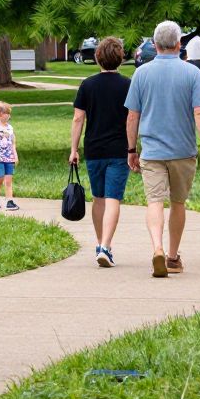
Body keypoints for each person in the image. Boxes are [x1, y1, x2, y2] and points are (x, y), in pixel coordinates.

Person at [126, 20, 200, 278]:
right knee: (178, 202)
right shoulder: (192, 73)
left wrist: (132, 149)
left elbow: (132, 116)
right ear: (179, 44)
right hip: (183, 151)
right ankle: (173, 257)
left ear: (154, 45)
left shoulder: (141, 74)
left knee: (154, 201)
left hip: (152, 152)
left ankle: (157, 247)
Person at [69, 37, 130, 267]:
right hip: (119, 150)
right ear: (121, 58)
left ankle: (100, 244)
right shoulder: (128, 84)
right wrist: (133, 147)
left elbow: (78, 118)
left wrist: (74, 149)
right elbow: (133, 118)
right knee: (113, 197)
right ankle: (106, 245)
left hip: (94, 149)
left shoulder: (87, 85)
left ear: (97, 58)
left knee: (98, 198)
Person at [0, 101, 19, 210]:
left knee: (8, 181)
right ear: (0, 114)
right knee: (0, 179)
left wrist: (15, 155)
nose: (9, 115)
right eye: (7, 113)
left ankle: (9, 201)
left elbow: (13, 142)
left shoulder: (10, 128)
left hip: (9, 158)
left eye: (9, 113)